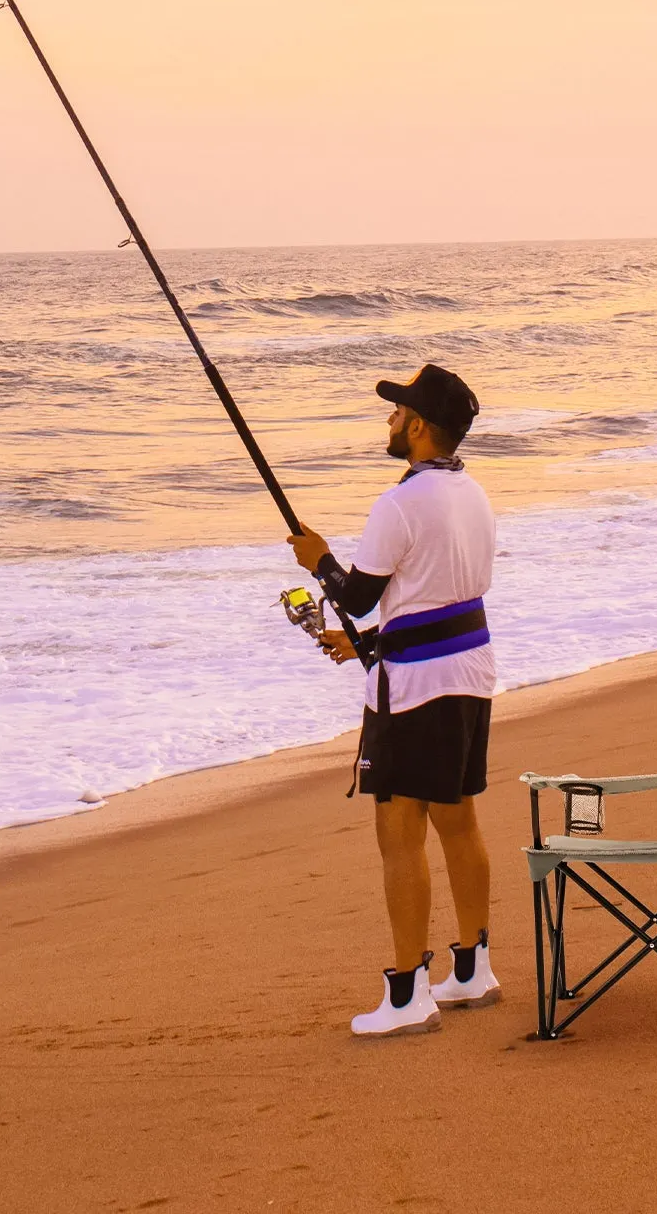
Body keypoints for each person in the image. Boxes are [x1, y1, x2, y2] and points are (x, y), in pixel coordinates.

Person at [288, 363, 500, 1037]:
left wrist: (317, 558)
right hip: (469, 672)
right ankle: (473, 970)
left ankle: (408, 995)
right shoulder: (474, 494)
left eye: (398, 412)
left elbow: (354, 596)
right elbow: (446, 599)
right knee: (458, 820)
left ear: (419, 426)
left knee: (399, 833)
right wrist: (373, 643)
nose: (389, 421)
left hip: (414, 692)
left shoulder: (400, 503)